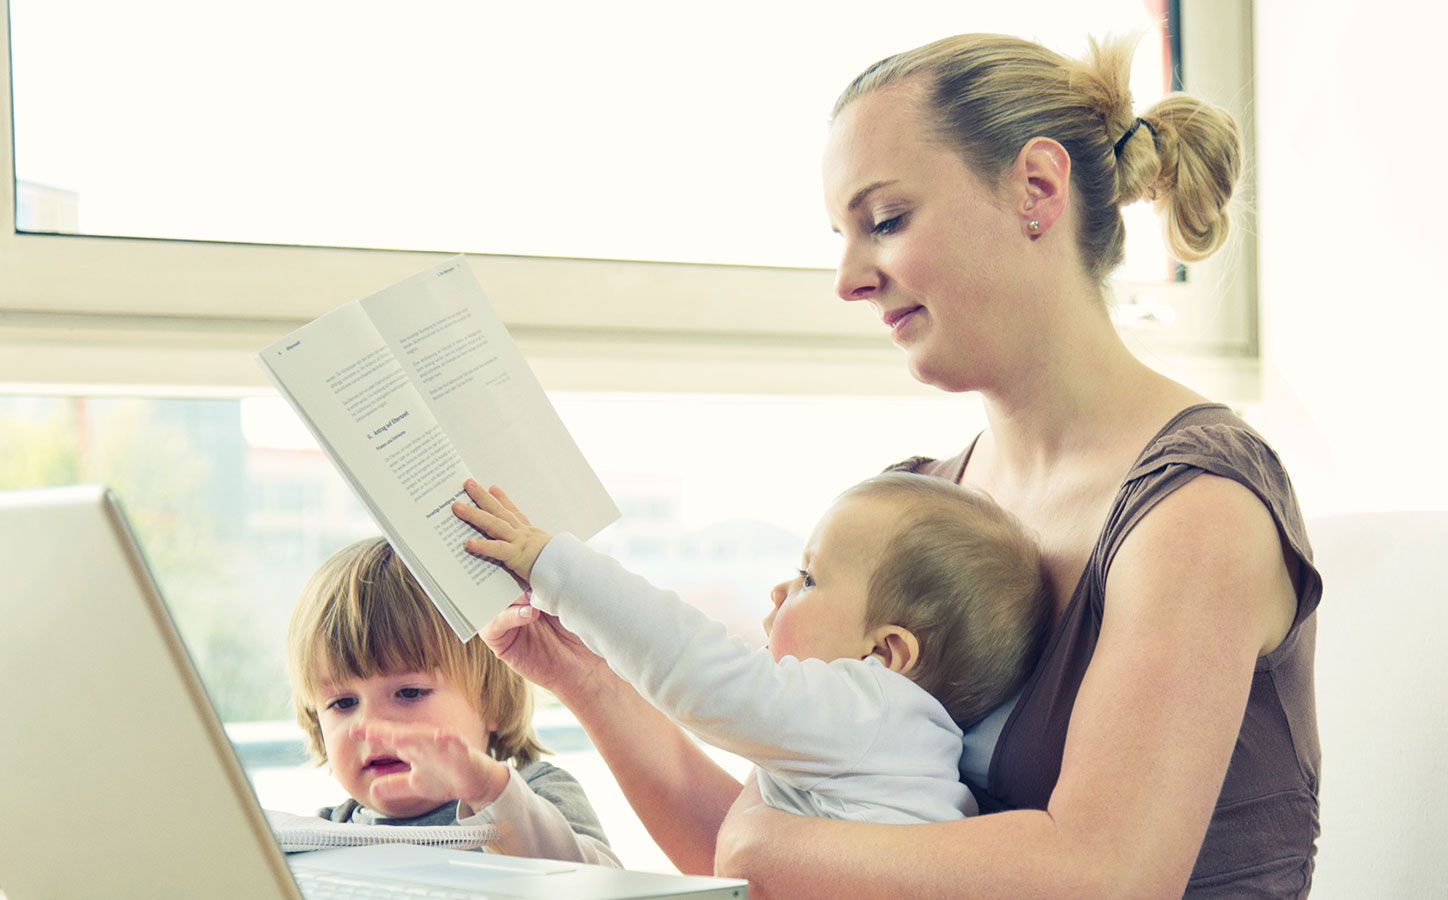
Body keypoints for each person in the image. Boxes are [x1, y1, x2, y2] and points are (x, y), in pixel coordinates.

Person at [477, 31, 1322, 900]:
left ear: (1037, 188)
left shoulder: (1197, 509)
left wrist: (762, 850)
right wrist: (585, 678)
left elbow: (1105, 876)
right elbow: (822, 851)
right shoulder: (925, 504)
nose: (848, 278)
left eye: (884, 221)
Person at [452, 471, 1049, 826]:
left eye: (810, 580)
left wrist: (553, 566)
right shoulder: (890, 744)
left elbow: (695, 668)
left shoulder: (870, 711)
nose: (781, 588)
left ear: (886, 655)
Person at [284, 536, 620, 866]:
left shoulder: (537, 794)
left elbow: (605, 887)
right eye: (343, 703)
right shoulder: (323, 834)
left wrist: (491, 794)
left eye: (409, 693)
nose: (370, 727)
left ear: (491, 702)